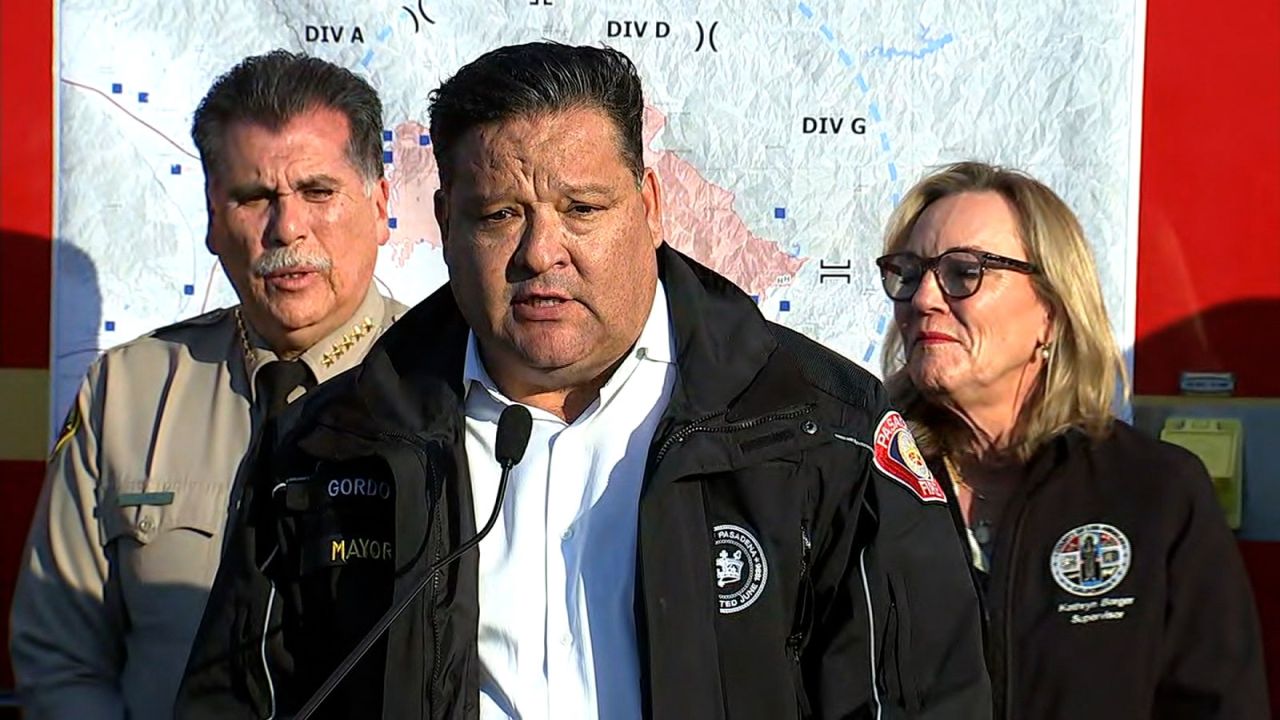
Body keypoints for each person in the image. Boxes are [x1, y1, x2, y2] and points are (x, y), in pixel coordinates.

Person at [175, 42, 991, 719]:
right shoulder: (327, 446)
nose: (540, 252)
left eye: (584, 208)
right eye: (501, 214)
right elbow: (235, 698)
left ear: (650, 205)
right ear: (446, 222)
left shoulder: (819, 430)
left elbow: (926, 698)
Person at [10, 50, 407, 720]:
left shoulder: (455, 386)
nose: (288, 229)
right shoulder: (127, 393)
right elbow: (61, 655)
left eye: (318, 192)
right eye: (254, 198)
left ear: (379, 205)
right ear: (212, 218)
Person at [874, 161, 1269, 719]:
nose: (923, 300)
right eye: (910, 273)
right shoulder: (859, 483)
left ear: (1052, 313)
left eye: (965, 273)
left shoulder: (1153, 492)